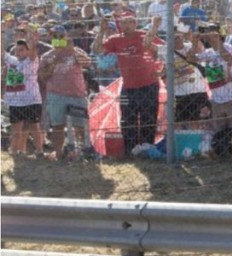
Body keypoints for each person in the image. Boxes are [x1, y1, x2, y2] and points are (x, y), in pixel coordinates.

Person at [92, 13, 162, 156]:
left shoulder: (144, 35)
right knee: (127, 118)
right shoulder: (115, 39)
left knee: (148, 117)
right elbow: (97, 49)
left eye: (130, 22)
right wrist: (102, 30)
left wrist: (161, 71)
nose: (127, 25)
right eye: (124, 22)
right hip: (128, 86)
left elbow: (163, 51)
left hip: (149, 84)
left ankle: (147, 148)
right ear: (119, 25)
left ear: (135, 23)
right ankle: (130, 150)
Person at [38, 24, 93, 158]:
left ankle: (83, 151)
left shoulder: (75, 51)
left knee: (80, 125)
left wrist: (72, 49)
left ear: (66, 37)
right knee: (58, 126)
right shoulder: (46, 56)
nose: (58, 39)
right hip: (55, 95)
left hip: (77, 94)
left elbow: (87, 63)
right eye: (55, 36)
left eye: (61, 36)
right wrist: (55, 60)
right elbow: (42, 76)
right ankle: (59, 153)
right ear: (51, 38)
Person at [3, 28, 44, 156]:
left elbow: (32, 52)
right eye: (17, 50)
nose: (18, 52)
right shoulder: (12, 61)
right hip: (15, 101)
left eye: (21, 50)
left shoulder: (32, 61)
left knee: (34, 127)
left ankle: (39, 152)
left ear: (27, 50)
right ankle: (15, 152)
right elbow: (1, 52)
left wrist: (30, 39)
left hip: (31, 99)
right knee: (16, 129)